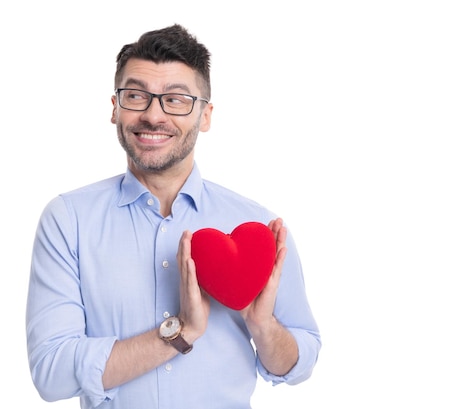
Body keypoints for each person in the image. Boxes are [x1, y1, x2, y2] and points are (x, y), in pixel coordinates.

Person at [26, 24, 321, 409]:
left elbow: (302, 361)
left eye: (176, 99)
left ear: (205, 115)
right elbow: (52, 373)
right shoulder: (68, 221)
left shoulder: (259, 226)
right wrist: (180, 331)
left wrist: (264, 326)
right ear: (115, 108)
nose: (153, 115)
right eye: (136, 96)